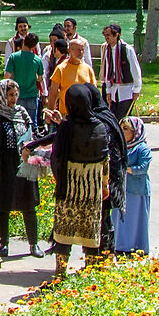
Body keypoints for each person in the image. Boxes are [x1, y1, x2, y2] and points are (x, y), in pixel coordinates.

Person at [43, 82, 126, 275]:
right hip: (92, 186)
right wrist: (104, 184)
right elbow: (105, 159)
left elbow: (56, 157)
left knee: (64, 230)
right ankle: (90, 271)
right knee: (91, 229)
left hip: (69, 186)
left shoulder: (66, 129)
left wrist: (59, 179)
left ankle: (60, 273)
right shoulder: (99, 127)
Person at [0, 73, 42, 257]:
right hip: (5, 165)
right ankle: (4, 243)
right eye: (10, 95)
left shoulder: (22, 113)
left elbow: (32, 135)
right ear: (2, 95)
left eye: (16, 95)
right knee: (3, 205)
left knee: (28, 204)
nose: (14, 99)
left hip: (24, 163)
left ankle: (33, 244)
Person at [115, 114, 152, 254]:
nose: (122, 131)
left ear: (135, 131)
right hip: (122, 189)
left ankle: (137, 246)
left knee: (136, 220)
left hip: (137, 190)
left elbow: (143, 168)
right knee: (120, 219)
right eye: (121, 128)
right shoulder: (121, 147)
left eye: (126, 129)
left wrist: (125, 169)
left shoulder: (142, 148)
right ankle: (120, 246)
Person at [97, 25, 143, 122]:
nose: (106, 37)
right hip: (114, 90)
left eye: (108, 35)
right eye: (105, 35)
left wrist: (136, 90)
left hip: (127, 91)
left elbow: (135, 70)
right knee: (113, 118)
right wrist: (108, 91)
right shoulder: (108, 50)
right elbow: (108, 71)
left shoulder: (127, 49)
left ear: (116, 35)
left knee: (123, 119)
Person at [47, 35, 94, 111]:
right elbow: (53, 92)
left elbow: (94, 92)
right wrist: (50, 111)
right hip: (66, 113)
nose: (81, 52)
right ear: (69, 51)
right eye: (78, 50)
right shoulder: (61, 69)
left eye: (82, 49)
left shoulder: (88, 69)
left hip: (85, 113)